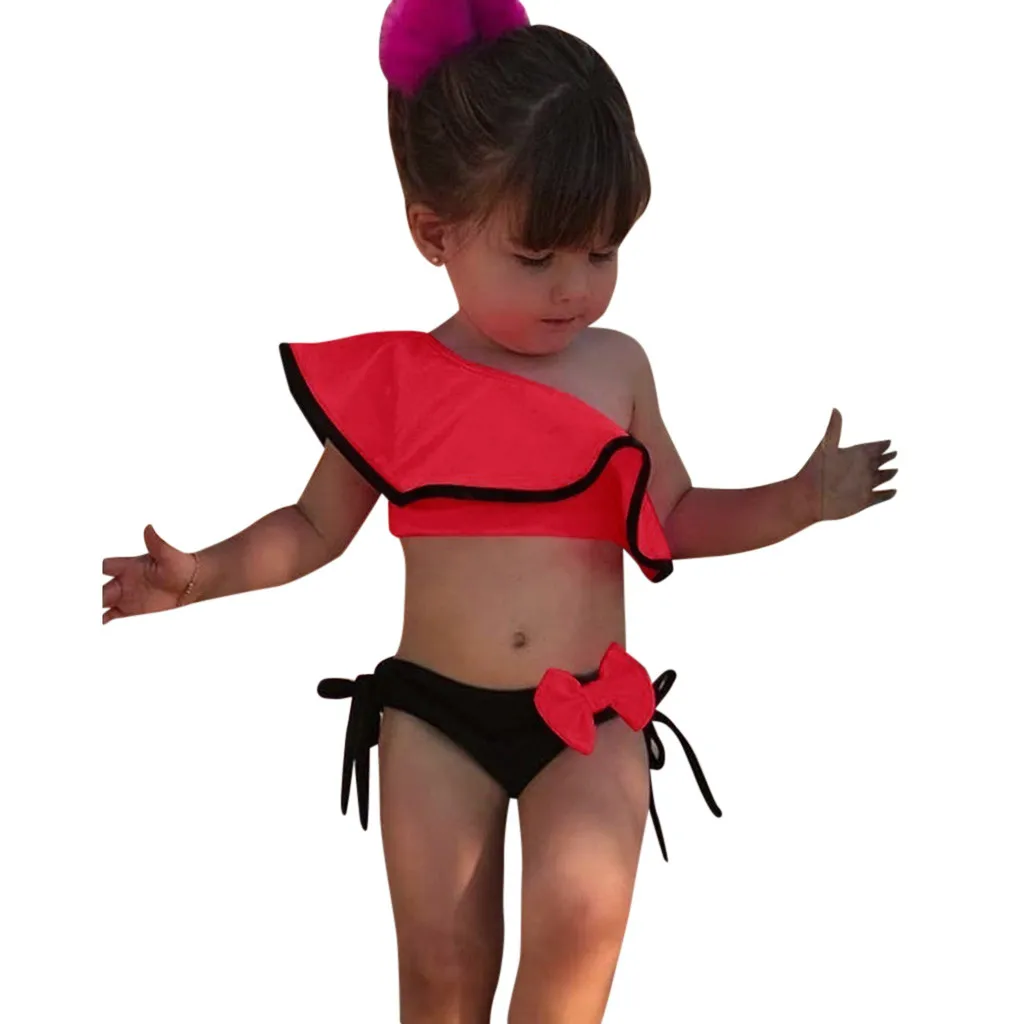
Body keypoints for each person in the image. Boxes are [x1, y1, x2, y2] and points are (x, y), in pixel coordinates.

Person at [100, 0, 898, 1020]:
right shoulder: (398, 383)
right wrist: (199, 576)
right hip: (436, 718)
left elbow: (674, 515)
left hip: (590, 711)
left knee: (579, 936)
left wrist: (798, 500)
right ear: (433, 233)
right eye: (537, 258)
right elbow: (313, 527)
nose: (575, 288)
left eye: (601, 253)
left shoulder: (617, 369)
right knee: (441, 973)